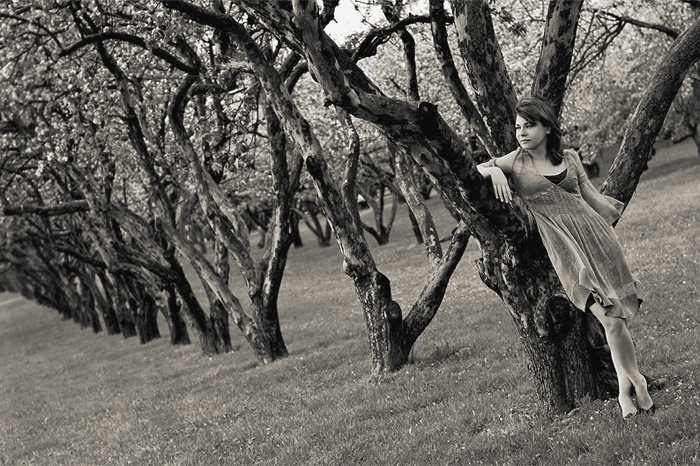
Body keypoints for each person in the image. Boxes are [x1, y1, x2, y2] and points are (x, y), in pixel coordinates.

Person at [477, 96, 654, 420]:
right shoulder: (514, 162)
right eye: (518, 126)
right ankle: (634, 383)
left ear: (546, 127)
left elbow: (591, 199)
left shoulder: (570, 157)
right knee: (609, 319)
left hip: (598, 240)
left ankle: (626, 390)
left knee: (616, 322)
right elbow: (477, 168)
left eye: (529, 125)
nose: (522, 132)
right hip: (566, 249)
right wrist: (495, 173)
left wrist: (609, 232)